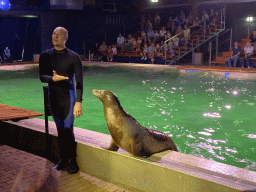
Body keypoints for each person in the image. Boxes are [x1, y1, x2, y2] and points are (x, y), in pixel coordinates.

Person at [39, 26, 83, 174]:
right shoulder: (45, 55)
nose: (55, 36)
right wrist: (53, 78)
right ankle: (63, 160)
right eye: (53, 34)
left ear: (66, 38)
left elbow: (79, 83)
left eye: (59, 34)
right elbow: (42, 77)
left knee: (68, 130)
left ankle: (73, 161)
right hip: (54, 98)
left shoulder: (74, 57)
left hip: (68, 99)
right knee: (59, 130)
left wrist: (78, 101)